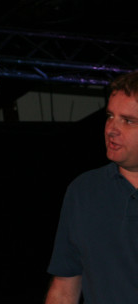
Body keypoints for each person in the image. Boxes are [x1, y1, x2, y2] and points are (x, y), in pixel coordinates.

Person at [45, 70, 138, 304]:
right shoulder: (84, 191)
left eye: (128, 121)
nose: (111, 128)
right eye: (110, 116)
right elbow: (64, 289)